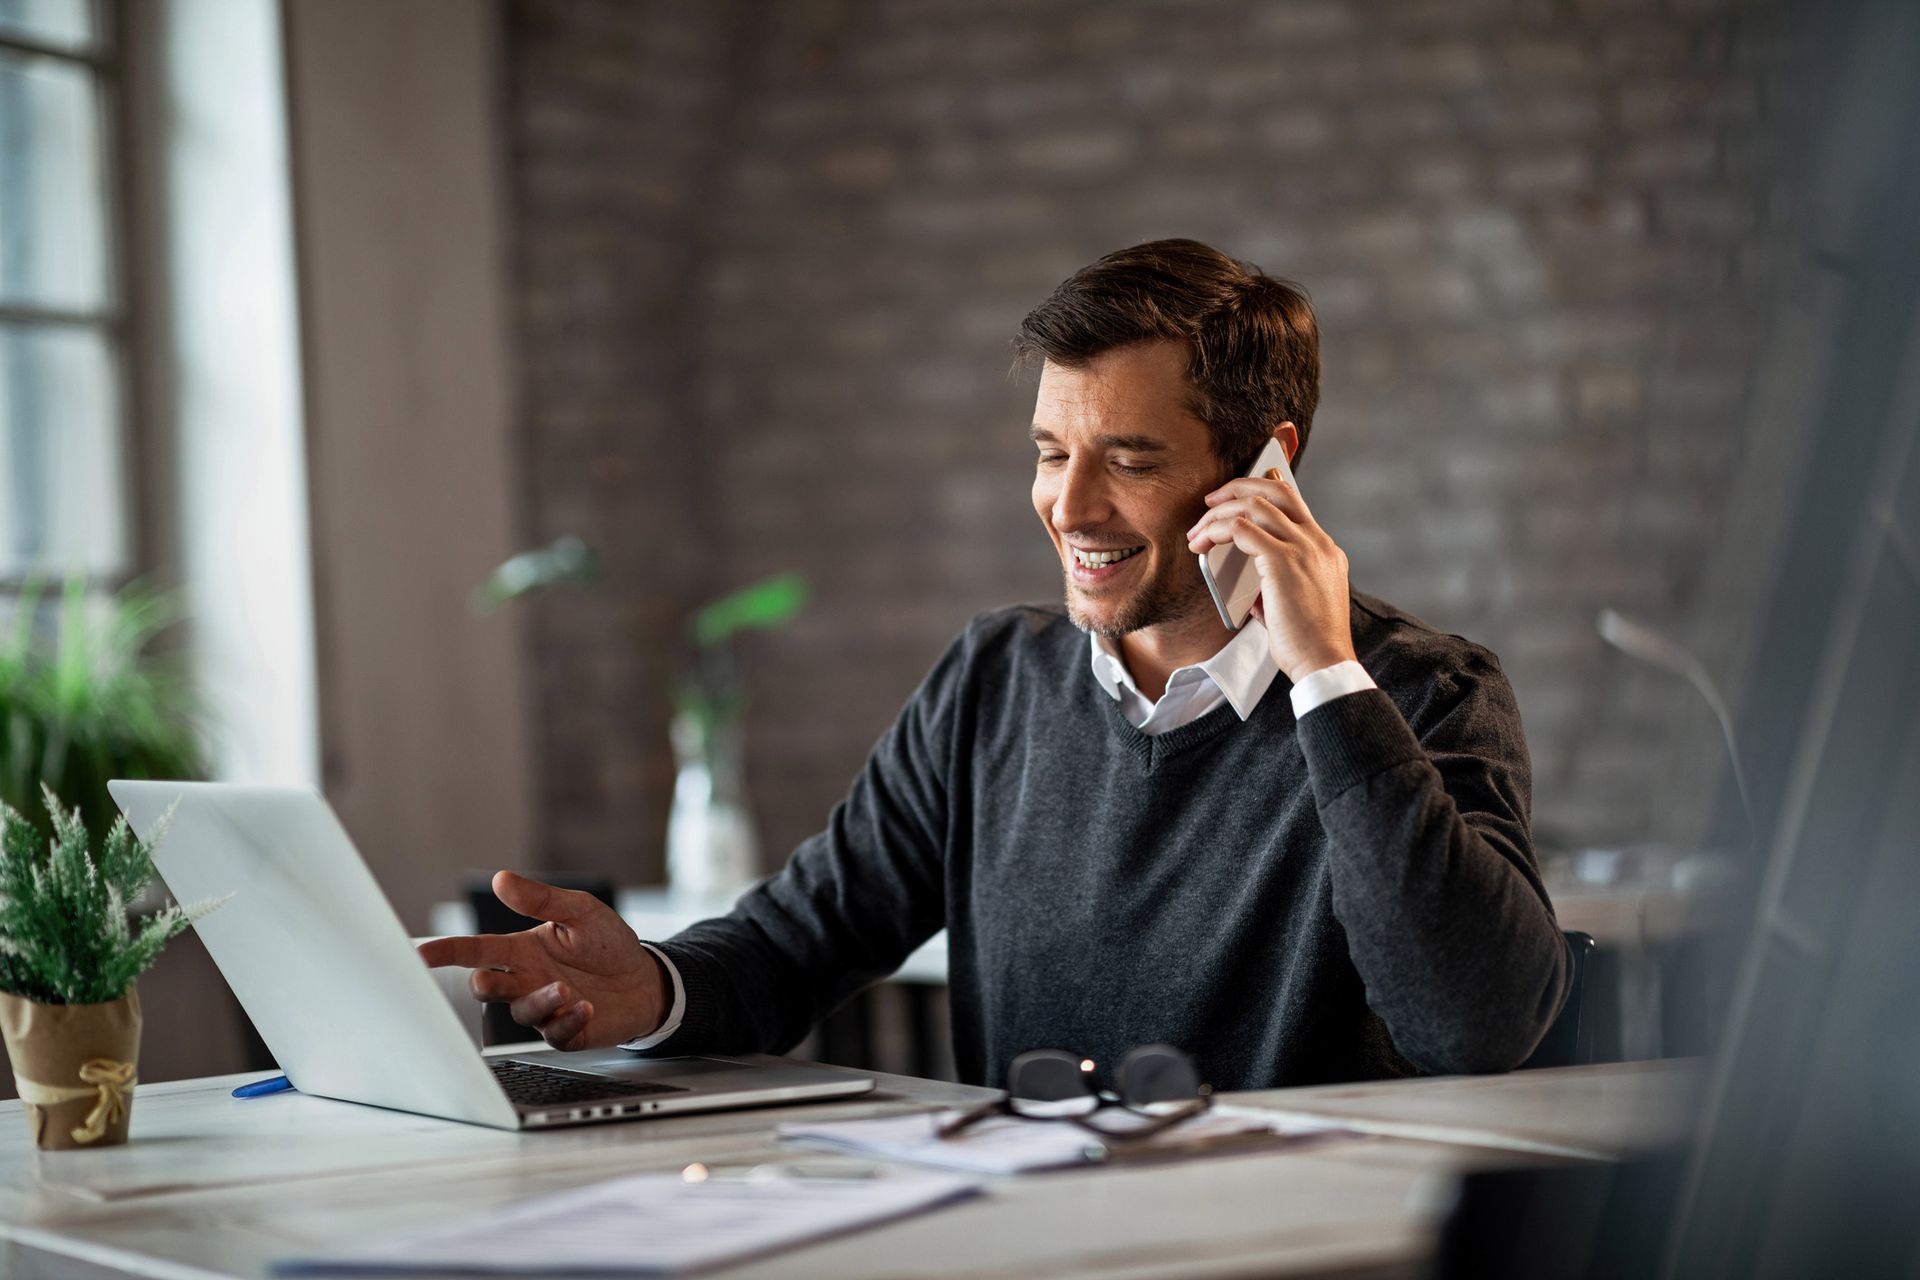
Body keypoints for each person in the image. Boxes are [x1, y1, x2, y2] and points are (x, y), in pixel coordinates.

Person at [420, 239, 1572, 1090]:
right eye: (1050, 451)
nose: (1068, 505)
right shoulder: (992, 682)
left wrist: (1324, 671)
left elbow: (1473, 1025)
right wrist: (653, 987)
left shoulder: (1419, 692)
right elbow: (795, 940)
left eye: (1125, 457)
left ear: (1268, 466)